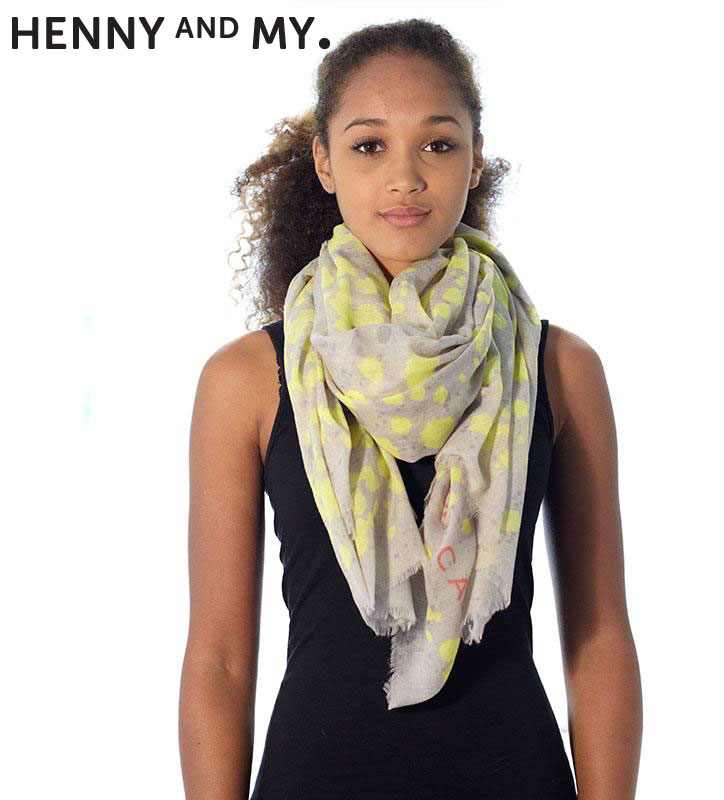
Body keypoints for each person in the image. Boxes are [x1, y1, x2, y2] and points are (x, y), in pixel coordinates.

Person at [179, 17, 642, 800]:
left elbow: (599, 640)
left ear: (475, 157)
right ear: (325, 162)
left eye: (438, 143)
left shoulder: (559, 368)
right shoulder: (246, 380)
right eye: (369, 145)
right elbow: (219, 660)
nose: (405, 177)